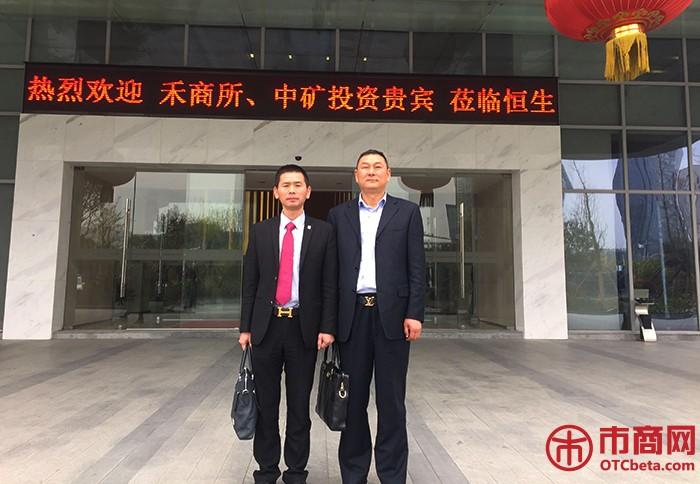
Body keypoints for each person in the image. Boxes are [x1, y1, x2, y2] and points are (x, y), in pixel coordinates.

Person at [327, 149, 426, 484]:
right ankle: (354, 473)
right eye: (365, 167)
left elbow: (417, 267)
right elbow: (331, 273)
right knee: (352, 400)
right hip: (351, 317)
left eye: (377, 167)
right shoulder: (338, 215)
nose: (371, 172)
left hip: (393, 319)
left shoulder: (407, 213)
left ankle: (392, 475)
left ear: (388, 174)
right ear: (356, 175)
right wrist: (329, 322)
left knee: (392, 401)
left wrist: (414, 313)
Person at [239, 164, 337, 484]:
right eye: (286, 185)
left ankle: (296, 472)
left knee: (298, 407)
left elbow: (329, 285)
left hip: (302, 329)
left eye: (298, 185)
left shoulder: (323, 232)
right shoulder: (261, 231)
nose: (292, 190)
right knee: (266, 405)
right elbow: (250, 283)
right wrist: (245, 327)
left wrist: (327, 327)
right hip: (266, 328)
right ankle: (266, 470)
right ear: (276, 192)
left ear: (308, 191)